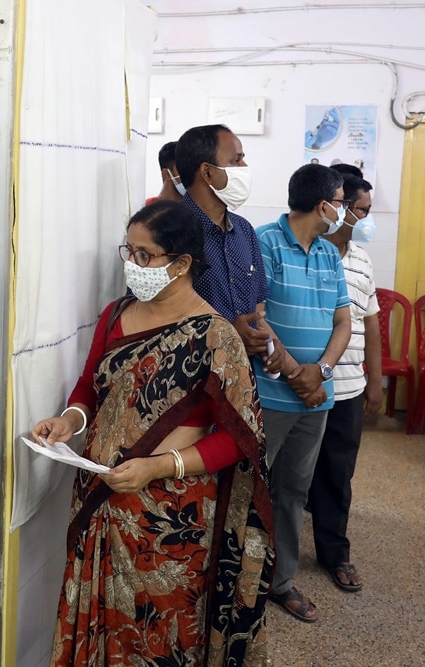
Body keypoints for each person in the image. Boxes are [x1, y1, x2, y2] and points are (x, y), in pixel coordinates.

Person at [32, 201, 274, 666]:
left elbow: (239, 438)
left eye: (145, 256)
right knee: (97, 621)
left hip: (167, 520)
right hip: (101, 498)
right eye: (129, 251)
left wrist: (158, 466)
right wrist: (69, 421)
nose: (133, 265)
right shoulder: (116, 314)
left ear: (181, 264)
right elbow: (89, 389)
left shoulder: (215, 336)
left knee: (157, 633)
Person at [255, 164, 352, 622]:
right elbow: (254, 316)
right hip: (273, 394)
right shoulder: (264, 242)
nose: (343, 210)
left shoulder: (331, 255)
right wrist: (299, 374)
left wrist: (323, 371)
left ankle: (282, 581)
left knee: (294, 490)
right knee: (249, 485)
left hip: (317, 398)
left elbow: (343, 321)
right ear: (322, 206)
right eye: (340, 201)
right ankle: (236, 577)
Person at [310, 173, 382, 592]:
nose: (367, 220)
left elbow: (371, 323)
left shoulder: (362, 260)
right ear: (336, 207)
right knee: (292, 473)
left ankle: (335, 553)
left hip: (350, 386)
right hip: (305, 384)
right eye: (363, 211)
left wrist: (375, 381)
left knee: (338, 474)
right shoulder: (309, 253)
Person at [174, 124, 271, 356]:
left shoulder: (244, 230)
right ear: (207, 173)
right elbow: (156, 314)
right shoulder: (168, 232)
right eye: (236, 161)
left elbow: (257, 307)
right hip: (189, 377)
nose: (245, 168)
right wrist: (225, 333)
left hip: (240, 377)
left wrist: (270, 347)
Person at [146, 140, 184, 205]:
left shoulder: (195, 209)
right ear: (167, 174)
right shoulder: (147, 209)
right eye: (184, 170)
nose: (190, 175)